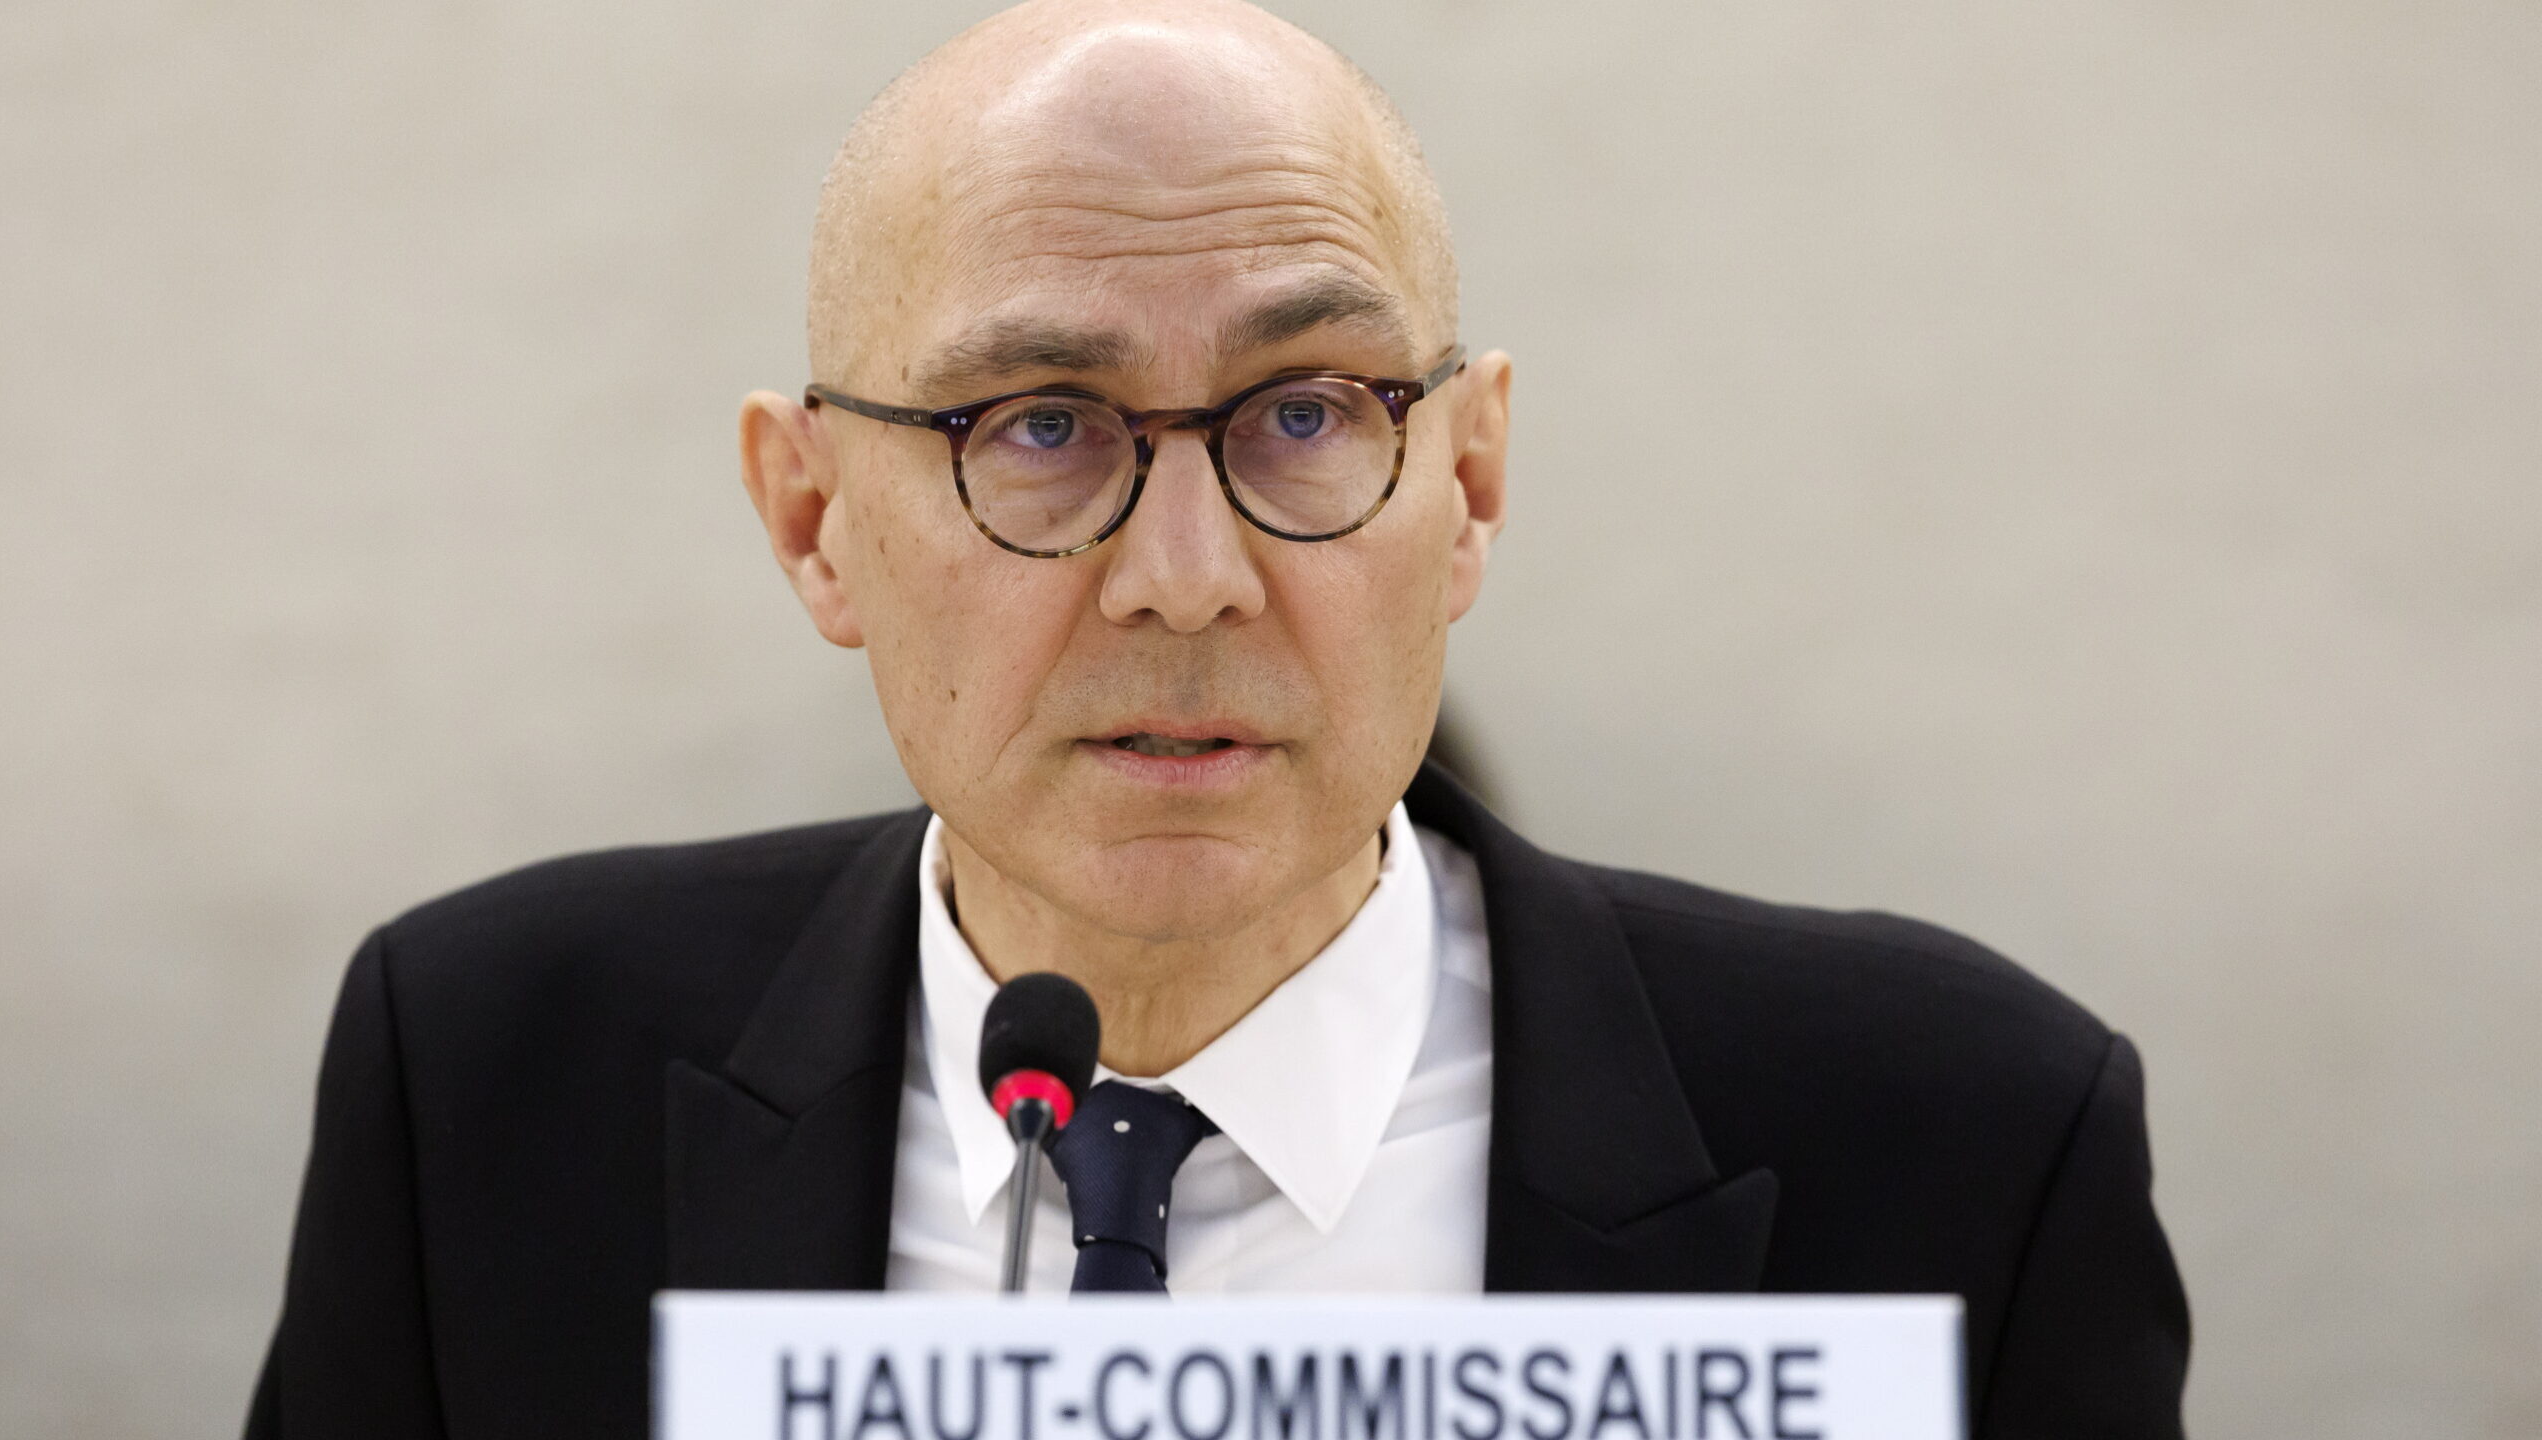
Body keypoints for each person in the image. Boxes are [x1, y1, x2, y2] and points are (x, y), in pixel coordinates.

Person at [244, 1, 2189, 1435]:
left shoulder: (1958, 1144)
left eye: (1305, 412)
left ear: (1471, 487)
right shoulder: (488, 1086)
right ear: (814, 521)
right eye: (1037, 426)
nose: (1185, 577)